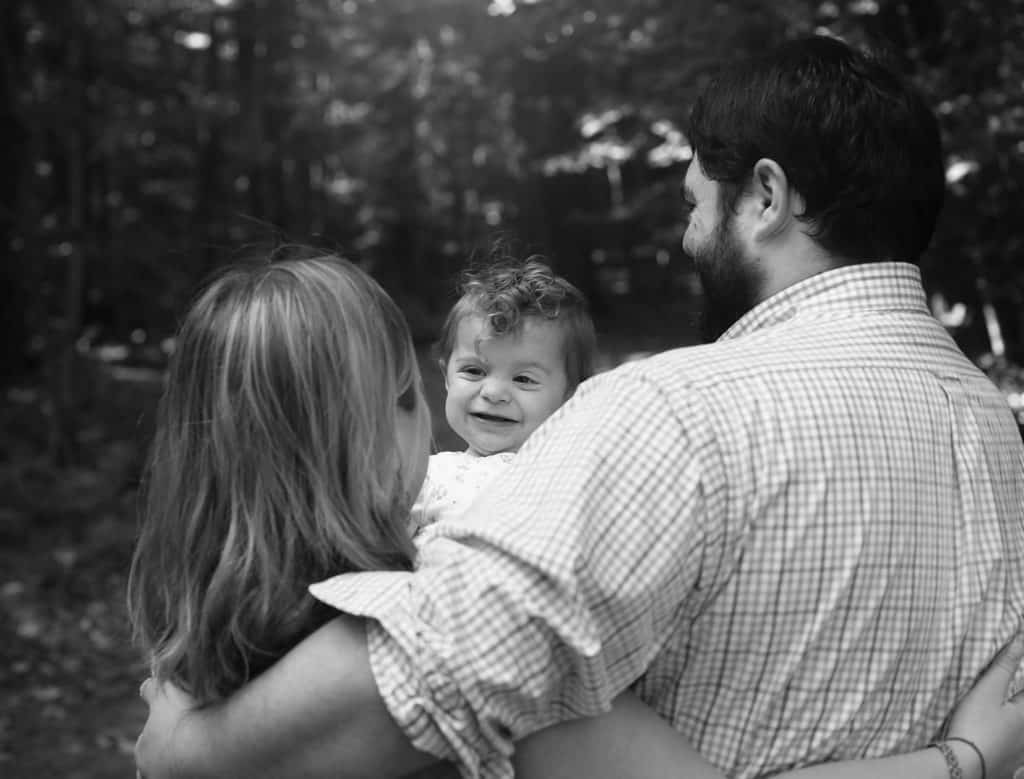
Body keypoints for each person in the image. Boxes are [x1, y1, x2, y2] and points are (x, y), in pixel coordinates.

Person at [135, 34, 1024, 779]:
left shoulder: (672, 413)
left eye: (691, 203)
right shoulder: (997, 428)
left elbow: (447, 676)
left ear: (764, 196)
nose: (684, 236)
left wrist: (183, 745)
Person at [410, 256, 596, 536]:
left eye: (523, 379)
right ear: (446, 376)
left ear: (570, 396)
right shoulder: (428, 476)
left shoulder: (574, 475)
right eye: (473, 371)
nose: (494, 393)